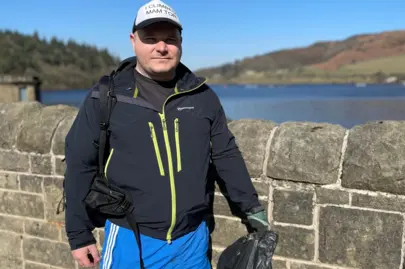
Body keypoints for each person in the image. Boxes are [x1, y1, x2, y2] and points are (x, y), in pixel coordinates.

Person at [63, 0, 269, 268]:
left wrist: (252, 210)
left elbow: (225, 155)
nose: (162, 47)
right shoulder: (107, 96)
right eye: (151, 39)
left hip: (193, 240)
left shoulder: (202, 96)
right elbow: (80, 163)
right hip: (131, 238)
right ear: (133, 40)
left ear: (180, 42)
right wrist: (79, 235)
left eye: (170, 39)